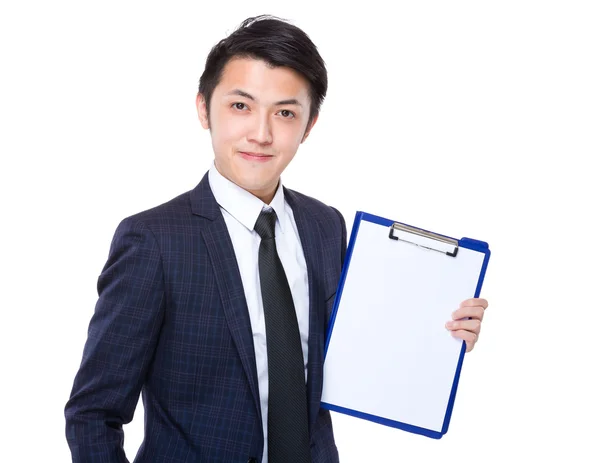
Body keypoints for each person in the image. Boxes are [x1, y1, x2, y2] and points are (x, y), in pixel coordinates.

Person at [64, 14, 489, 463]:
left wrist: (439, 335)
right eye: (240, 106)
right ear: (203, 109)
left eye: (285, 113)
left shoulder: (325, 225)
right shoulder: (153, 240)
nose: (261, 134)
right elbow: (93, 413)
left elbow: (353, 356)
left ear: (309, 126)